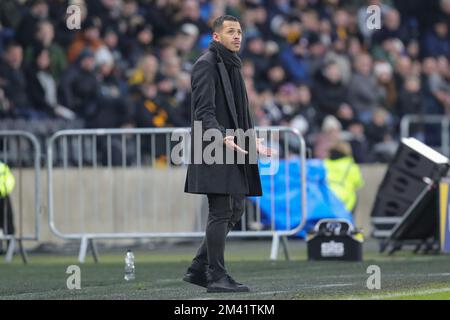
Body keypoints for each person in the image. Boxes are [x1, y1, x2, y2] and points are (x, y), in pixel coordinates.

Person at [183, 15, 275, 293]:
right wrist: (221, 135)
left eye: (239, 31)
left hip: (234, 146)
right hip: (215, 147)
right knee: (221, 211)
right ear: (215, 37)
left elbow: (242, 112)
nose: (237, 36)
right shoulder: (206, 64)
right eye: (231, 32)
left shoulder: (233, 64)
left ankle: (199, 268)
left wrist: (254, 140)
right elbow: (204, 111)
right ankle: (217, 276)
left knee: (235, 209)